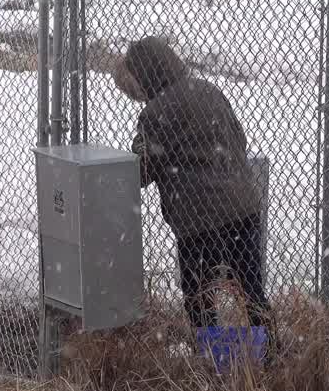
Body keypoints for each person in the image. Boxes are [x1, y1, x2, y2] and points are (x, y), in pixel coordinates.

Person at [116, 36, 270, 331]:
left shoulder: (155, 113)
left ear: (145, 75)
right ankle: (267, 355)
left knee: (199, 297)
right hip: (244, 209)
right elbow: (239, 140)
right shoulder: (209, 90)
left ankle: (211, 357)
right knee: (252, 292)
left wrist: (140, 147)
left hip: (200, 222)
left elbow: (143, 173)